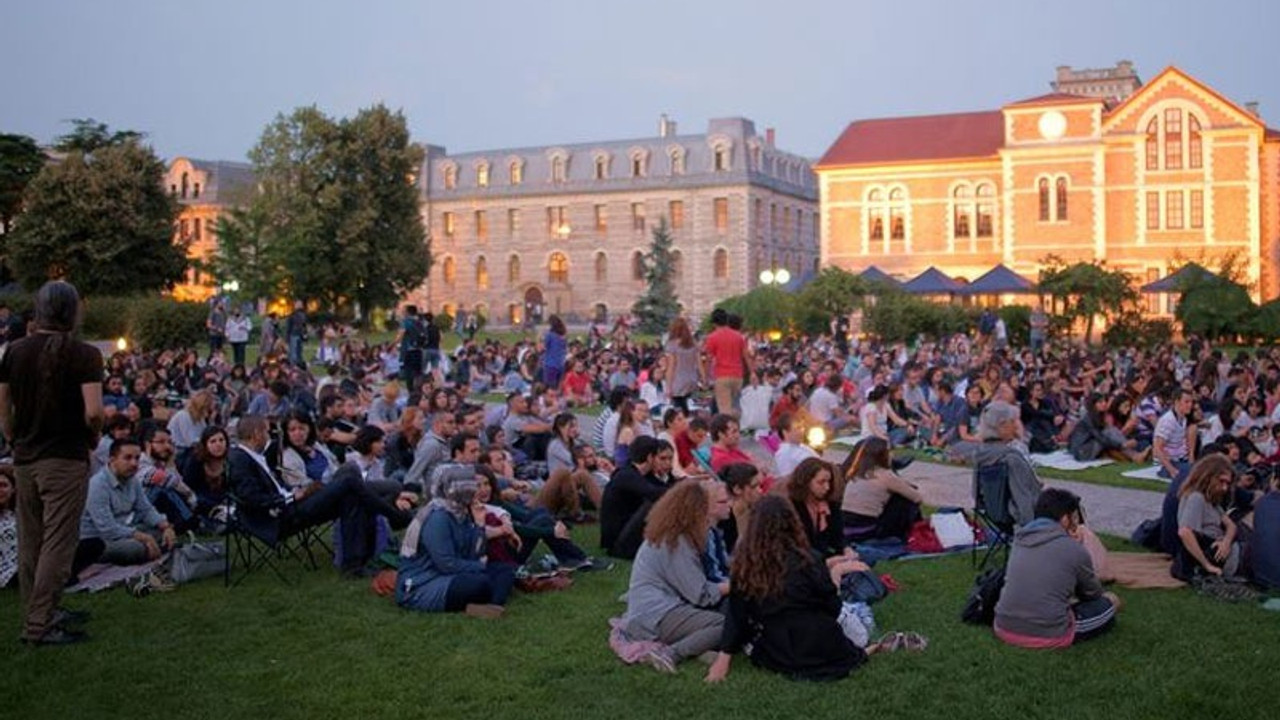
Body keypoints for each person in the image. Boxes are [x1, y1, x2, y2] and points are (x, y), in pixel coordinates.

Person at [0, 280, 104, 646]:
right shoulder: (85, 355)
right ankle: (38, 626)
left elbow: (5, 407)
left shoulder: (13, 351)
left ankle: (40, 611)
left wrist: (13, 438)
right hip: (64, 457)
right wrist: (94, 437)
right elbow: (93, 411)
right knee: (59, 544)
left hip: (25, 458)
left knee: (32, 541)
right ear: (72, 311)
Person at [706, 495, 870, 683]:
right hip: (823, 641)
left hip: (779, 649)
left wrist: (723, 660)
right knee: (858, 622)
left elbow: (737, 615)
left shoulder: (746, 566)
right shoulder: (810, 559)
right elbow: (832, 606)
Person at [228, 415, 409, 577]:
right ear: (256, 434)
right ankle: (395, 515)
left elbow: (274, 487)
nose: (269, 436)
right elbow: (251, 498)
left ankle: (354, 564)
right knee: (350, 480)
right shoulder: (240, 459)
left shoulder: (254, 456)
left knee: (351, 494)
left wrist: (294, 493)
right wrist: (292, 497)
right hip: (282, 515)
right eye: (267, 432)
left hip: (292, 502)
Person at [623, 481, 729, 673]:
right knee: (724, 624)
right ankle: (671, 653)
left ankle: (697, 645)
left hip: (660, 608)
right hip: (655, 615)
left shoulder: (678, 535)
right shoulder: (676, 542)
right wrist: (733, 586)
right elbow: (700, 594)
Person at [993, 488, 1121, 649]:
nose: (1077, 523)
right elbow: (1092, 593)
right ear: (1065, 519)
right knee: (1112, 600)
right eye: (1074, 517)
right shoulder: (1073, 549)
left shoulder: (1019, 540)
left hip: (1003, 625)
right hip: (1050, 632)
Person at [396, 465, 514, 618]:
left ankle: (492, 606)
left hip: (452, 572)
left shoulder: (462, 512)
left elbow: (473, 552)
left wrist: (479, 525)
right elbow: (446, 564)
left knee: (504, 570)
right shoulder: (438, 517)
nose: (473, 490)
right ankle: (487, 601)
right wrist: (480, 566)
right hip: (424, 582)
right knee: (481, 583)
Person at [78, 438, 177, 566]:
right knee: (136, 548)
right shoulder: (97, 485)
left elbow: (145, 509)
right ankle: (148, 551)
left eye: (137, 458)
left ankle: (152, 549)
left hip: (124, 530)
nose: (134, 464)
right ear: (112, 460)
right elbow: (107, 529)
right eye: (128, 458)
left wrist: (165, 526)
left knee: (160, 533)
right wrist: (143, 537)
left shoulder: (132, 480)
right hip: (99, 540)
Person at [973, 401, 1043, 526]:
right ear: (1002, 425)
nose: (1016, 426)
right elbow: (1024, 499)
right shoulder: (1011, 458)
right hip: (1020, 518)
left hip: (993, 516)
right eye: (1012, 422)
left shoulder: (981, 456)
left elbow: (976, 493)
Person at [839, 437, 923, 542]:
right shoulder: (885, 474)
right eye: (889, 451)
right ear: (882, 455)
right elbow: (918, 498)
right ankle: (909, 534)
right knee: (904, 499)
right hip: (866, 528)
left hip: (844, 524)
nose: (892, 455)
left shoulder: (856, 471)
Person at [1173, 454, 1241, 580]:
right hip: (1210, 551)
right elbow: (1185, 532)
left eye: (1227, 483)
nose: (1224, 488)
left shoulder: (1210, 500)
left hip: (1221, 546)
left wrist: (1226, 542)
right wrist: (1207, 565)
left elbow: (1231, 525)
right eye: (1221, 481)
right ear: (1208, 477)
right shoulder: (1196, 498)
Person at [600, 436, 668, 560]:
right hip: (619, 544)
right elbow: (655, 493)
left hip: (626, 532)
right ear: (649, 457)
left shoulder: (641, 474)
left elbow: (664, 487)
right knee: (653, 503)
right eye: (659, 458)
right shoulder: (627, 475)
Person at [702, 308, 751, 419]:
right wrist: (752, 372)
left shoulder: (712, 337)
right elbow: (746, 355)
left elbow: (709, 359)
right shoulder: (738, 337)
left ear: (714, 323)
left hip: (722, 375)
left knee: (725, 410)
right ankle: (736, 429)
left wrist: (705, 377)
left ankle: (728, 432)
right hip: (738, 375)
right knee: (735, 406)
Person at [1154, 388, 1197, 479]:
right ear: (1177, 402)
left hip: (1179, 460)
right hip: (1166, 465)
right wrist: (1172, 471)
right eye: (1186, 402)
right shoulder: (1168, 420)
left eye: (1191, 402)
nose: (1190, 405)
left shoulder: (1183, 419)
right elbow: (1158, 448)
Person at [664, 316, 703, 414]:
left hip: (678, 380)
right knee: (689, 405)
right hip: (692, 379)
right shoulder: (693, 344)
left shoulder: (672, 345)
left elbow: (671, 367)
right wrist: (703, 377)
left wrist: (668, 386)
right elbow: (699, 362)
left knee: (678, 409)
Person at [773, 413, 819, 479]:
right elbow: (787, 480)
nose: (802, 431)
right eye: (798, 428)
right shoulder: (784, 453)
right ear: (785, 432)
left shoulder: (801, 446)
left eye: (803, 427)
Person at [395, 305, 425, 388]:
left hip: (408, 351)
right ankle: (419, 389)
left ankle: (411, 391)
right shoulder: (420, 322)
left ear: (407, 312)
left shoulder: (406, 322)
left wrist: (392, 345)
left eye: (403, 310)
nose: (402, 312)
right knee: (418, 372)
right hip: (419, 350)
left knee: (409, 373)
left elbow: (401, 335)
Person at [541, 315, 568, 388]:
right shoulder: (562, 336)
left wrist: (541, 336)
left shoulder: (550, 335)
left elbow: (543, 347)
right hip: (560, 364)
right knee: (558, 386)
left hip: (551, 365)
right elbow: (565, 348)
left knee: (549, 388)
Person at [285, 300, 307, 366]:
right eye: (298, 304)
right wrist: (287, 337)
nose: (299, 305)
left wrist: (305, 334)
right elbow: (289, 326)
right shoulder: (292, 315)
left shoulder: (303, 315)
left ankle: (299, 365)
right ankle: (293, 365)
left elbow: (304, 325)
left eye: (300, 304)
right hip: (293, 334)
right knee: (293, 352)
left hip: (300, 335)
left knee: (299, 351)